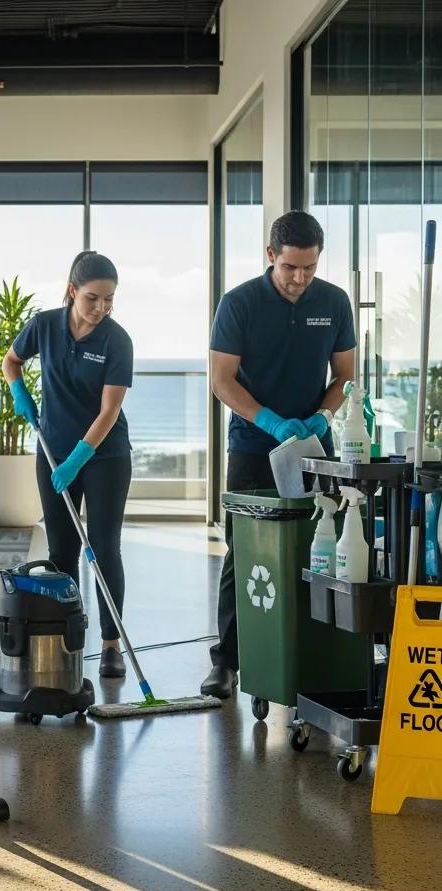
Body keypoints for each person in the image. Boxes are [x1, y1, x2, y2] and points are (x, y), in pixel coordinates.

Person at [203, 210, 356, 699]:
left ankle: (316, 651)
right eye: (291, 267)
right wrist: (266, 419)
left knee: (322, 546)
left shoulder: (333, 302)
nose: (300, 278)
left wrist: (324, 417)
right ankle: (228, 660)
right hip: (252, 446)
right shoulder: (240, 303)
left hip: (315, 447)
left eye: (309, 268)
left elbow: (344, 376)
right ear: (271, 255)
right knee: (244, 550)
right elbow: (221, 380)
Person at [3, 251, 134, 677]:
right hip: (53, 451)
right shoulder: (43, 326)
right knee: (62, 551)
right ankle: (67, 636)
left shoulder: (117, 340)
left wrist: (80, 456)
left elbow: (109, 410)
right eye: (93, 298)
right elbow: (11, 361)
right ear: (72, 290)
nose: (101, 308)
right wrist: (20, 394)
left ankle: (111, 644)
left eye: (109, 299)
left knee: (103, 547)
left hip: (104, 455)